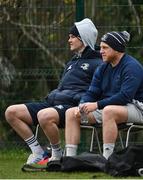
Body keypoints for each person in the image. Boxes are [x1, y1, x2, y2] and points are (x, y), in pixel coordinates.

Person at [5, 18, 102, 164]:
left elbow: (95, 92)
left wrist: (80, 102)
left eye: (72, 37)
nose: (68, 40)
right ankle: (38, 152)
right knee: (11, 112)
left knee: (44, 116)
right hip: (53, 103)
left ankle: (56, 154)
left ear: (82, 38)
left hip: (71, 107)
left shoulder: (98, 63)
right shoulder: (72, 62)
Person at [65, 30, 143, 159]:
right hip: (110, 107)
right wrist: (82, 105)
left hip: (139, 109)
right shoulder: (103, 67)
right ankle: (69, 158)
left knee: (108, 111)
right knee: (71, 113)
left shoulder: (132, 67)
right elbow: (92, 92)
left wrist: (97, 105)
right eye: (100, 48)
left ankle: (107, 159)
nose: (101, 51)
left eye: (105, 48)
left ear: (117, 49)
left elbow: (125, 97)